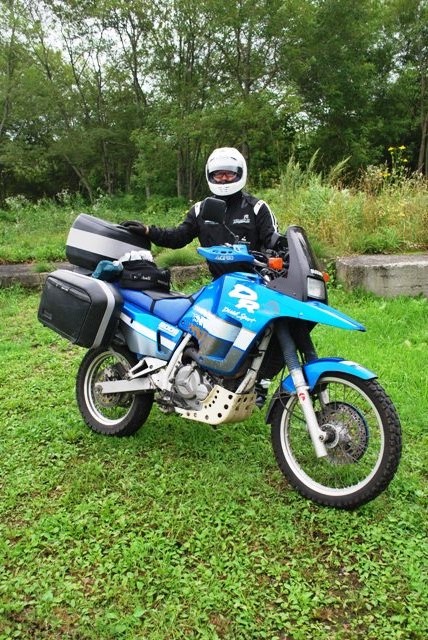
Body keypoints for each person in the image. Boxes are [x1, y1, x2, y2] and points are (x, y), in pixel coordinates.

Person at [121, 147, 279, 279]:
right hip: (220, 284)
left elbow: (275, 243)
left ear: (239, 173)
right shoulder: (200, 209)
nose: (224, 178)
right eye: (218, 174)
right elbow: (178, 237)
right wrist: (148, 231)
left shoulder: (257, 208)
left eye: (229, 173)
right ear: (211, 175)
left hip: (256, 281)